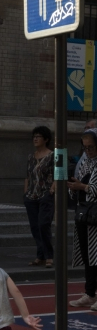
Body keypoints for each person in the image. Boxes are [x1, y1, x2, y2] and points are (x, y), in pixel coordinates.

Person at [68, 128, 97, 310]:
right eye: (85, 148)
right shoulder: (84, 163)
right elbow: (77, 189)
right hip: (85, 214)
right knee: (88, 255)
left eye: (91, 147)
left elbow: (93, 189)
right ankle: (90, 293)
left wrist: (82, 187)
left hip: (95, 215)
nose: (88, 151)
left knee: (96, 255)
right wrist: (74, 187)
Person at [23, 126, 55, 268]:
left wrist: (52, 189)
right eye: (34, 136)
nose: (35, 139)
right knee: (35, 227)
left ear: (46, 139)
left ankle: (49, 256)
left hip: (45, 194)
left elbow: (58, 174)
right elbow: (27, 176)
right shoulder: (31, 157)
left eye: (38, 136)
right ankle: (40, 256)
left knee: (43, 224)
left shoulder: (53, 155)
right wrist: (25, 194)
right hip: (31, 196)